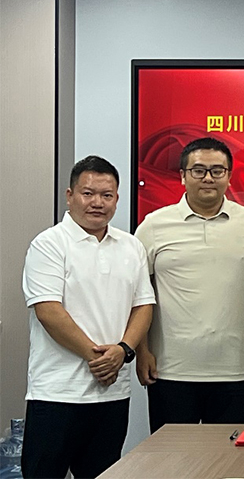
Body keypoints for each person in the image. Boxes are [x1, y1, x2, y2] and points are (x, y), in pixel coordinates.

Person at [21, 156, 155, 478]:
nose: (97, 203)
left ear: (117, 199)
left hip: (112, 393)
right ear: (70, 196)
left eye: (106, 195)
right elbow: (48, 311)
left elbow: (143, 306)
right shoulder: (49, 244)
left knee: (103, 473)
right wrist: (99, 359)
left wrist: (123, 351)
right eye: (88, 193)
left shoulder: (131, 246)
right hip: (57, 392)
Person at [134, 137, 244, 433]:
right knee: (172, 456)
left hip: (236, 370)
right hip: (170, 370)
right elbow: (138, 295)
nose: (208, 178)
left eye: (217, 170)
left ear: (229, 176)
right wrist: (141, 351)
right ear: (183, 176)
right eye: (198, 170)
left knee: (229, 457)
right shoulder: (153, 226)